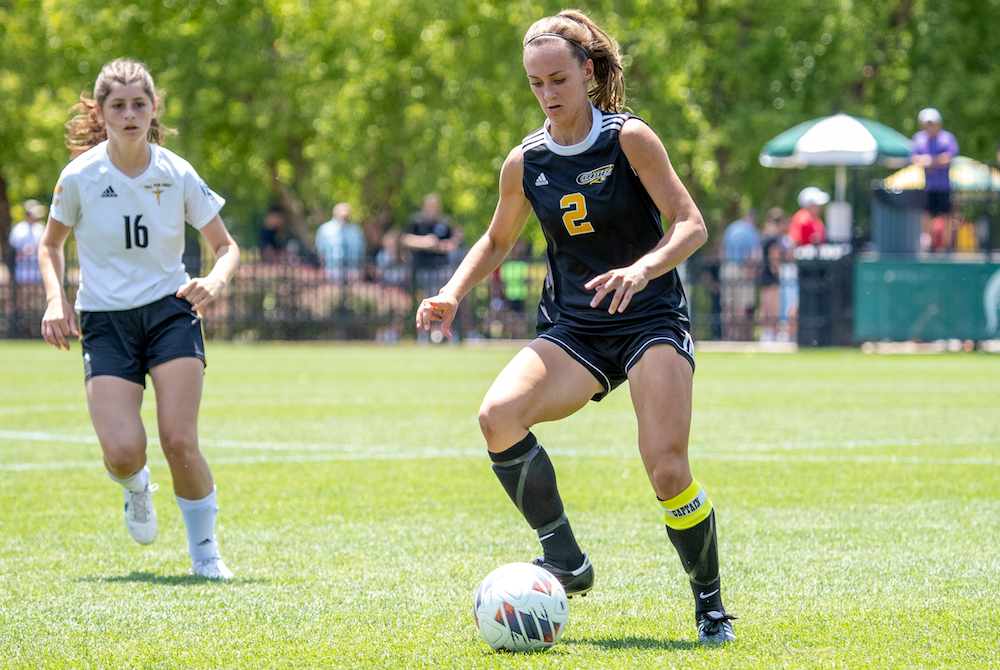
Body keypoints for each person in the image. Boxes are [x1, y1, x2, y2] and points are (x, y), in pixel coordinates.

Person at [416, 10, 735, 644]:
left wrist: (643, 270)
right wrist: (451, 291)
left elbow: (690, 224)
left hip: (649, 318)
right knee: (496, 416)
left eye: (558, 78)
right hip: (575, 329)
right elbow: (496, 238)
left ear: (587, 73)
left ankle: (710, 605)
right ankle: (564, 556)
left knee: (666, 467)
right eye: (536, 84)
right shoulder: (526, 160)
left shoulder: (629, 139)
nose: (548, 94)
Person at [37, 59, 240, 579]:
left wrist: (214, 281)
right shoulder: (80, 176)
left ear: (154, 110)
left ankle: (206, 553)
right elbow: (50, 246)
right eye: (118, 105)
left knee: (179, 439)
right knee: (124, 453)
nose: (130, 114)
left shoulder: (175, 172)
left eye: (139, 104)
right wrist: (56, 300)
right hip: (104, 321)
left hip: (170, 312)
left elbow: (225, 247)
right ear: (100, 113)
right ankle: (135, 489)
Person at [909, 108, 958, 251]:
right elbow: (913, 158)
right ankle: (928, 246)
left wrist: (931, 161)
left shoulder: (947, 138)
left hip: (943, 186)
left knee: (946, 215)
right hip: (927, 186)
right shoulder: (919, 139)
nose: (930, 127)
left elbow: (949, 158)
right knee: (926, 215)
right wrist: (928, 161)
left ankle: (946, 246)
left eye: (932, 123)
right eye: (927, 124)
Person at [719, 209, 760, 341]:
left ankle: (727, 335)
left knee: (728, 305)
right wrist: (752, 273)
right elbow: (753, 255)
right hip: (743, 269)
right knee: (741, 305)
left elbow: (723, 251)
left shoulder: (731, 228)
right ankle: (740, 337)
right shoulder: (751, 230)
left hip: (727, 268)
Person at [315, 202, 366, 281]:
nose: (344, 218)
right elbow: (320, 252)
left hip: (352, 272)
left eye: (346, 216)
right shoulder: (325, 230)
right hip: (332, 271)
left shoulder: (356, 231)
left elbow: (361, 252)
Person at [758, 208, 785, 342]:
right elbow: (774, 258)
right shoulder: (773, 237)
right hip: (771, 276)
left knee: (765, 305)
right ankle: (771, 333)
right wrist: (779, 270)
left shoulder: (763, 235)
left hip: (763, 273)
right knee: (773, 306)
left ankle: (765, 332)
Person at [9, 199, 48, 284]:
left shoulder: (41, 229)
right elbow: (13, 251)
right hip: (23, 271)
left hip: (38, 270)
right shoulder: (19, 230)